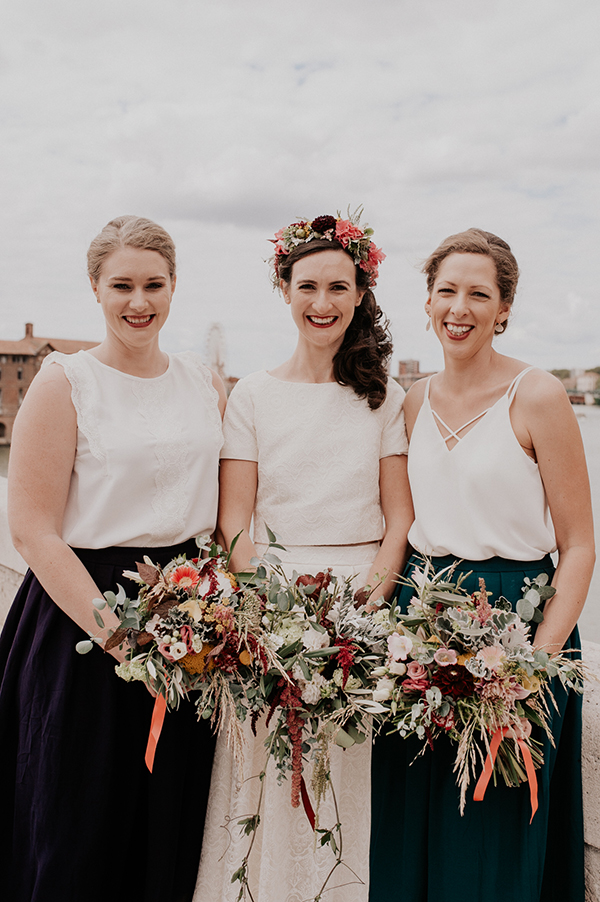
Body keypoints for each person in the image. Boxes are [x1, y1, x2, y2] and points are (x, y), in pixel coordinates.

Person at [0, 216, 227, 902]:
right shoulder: (63, 381)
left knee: (165, 820)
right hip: (82, 617)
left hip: (187, 616)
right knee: (76, 821)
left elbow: (221, 518)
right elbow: (34, 530)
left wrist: (207, 615)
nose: (139, 301)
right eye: (122, 285)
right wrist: (119, 634)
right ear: (95, 287)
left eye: (154, 284)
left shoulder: (202, 381)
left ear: (174, 286)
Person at [369, 228, 596, 902]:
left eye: (478, 294)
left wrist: (533, 670)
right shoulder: (411, 402)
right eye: (446, 291)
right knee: (412, 819)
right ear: (428, 301)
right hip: (422, 624)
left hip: (516, 626)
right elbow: (401, 528)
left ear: (503, 309)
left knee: (495, 833)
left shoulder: (538, 396)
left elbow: (579, 544)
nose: (458, 308)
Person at [194, 212, 414, 902]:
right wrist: (272, 618)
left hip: (360, 613)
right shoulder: (253, 396)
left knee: (346, 782)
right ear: (285, 290)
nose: (323, 303)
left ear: (360, 294)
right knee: (268, 777)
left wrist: (361, 613)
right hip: (273, 609)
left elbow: (399, 518)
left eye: (339, 288)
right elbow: (234, 522)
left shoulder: (385, 396)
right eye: (308, 286)